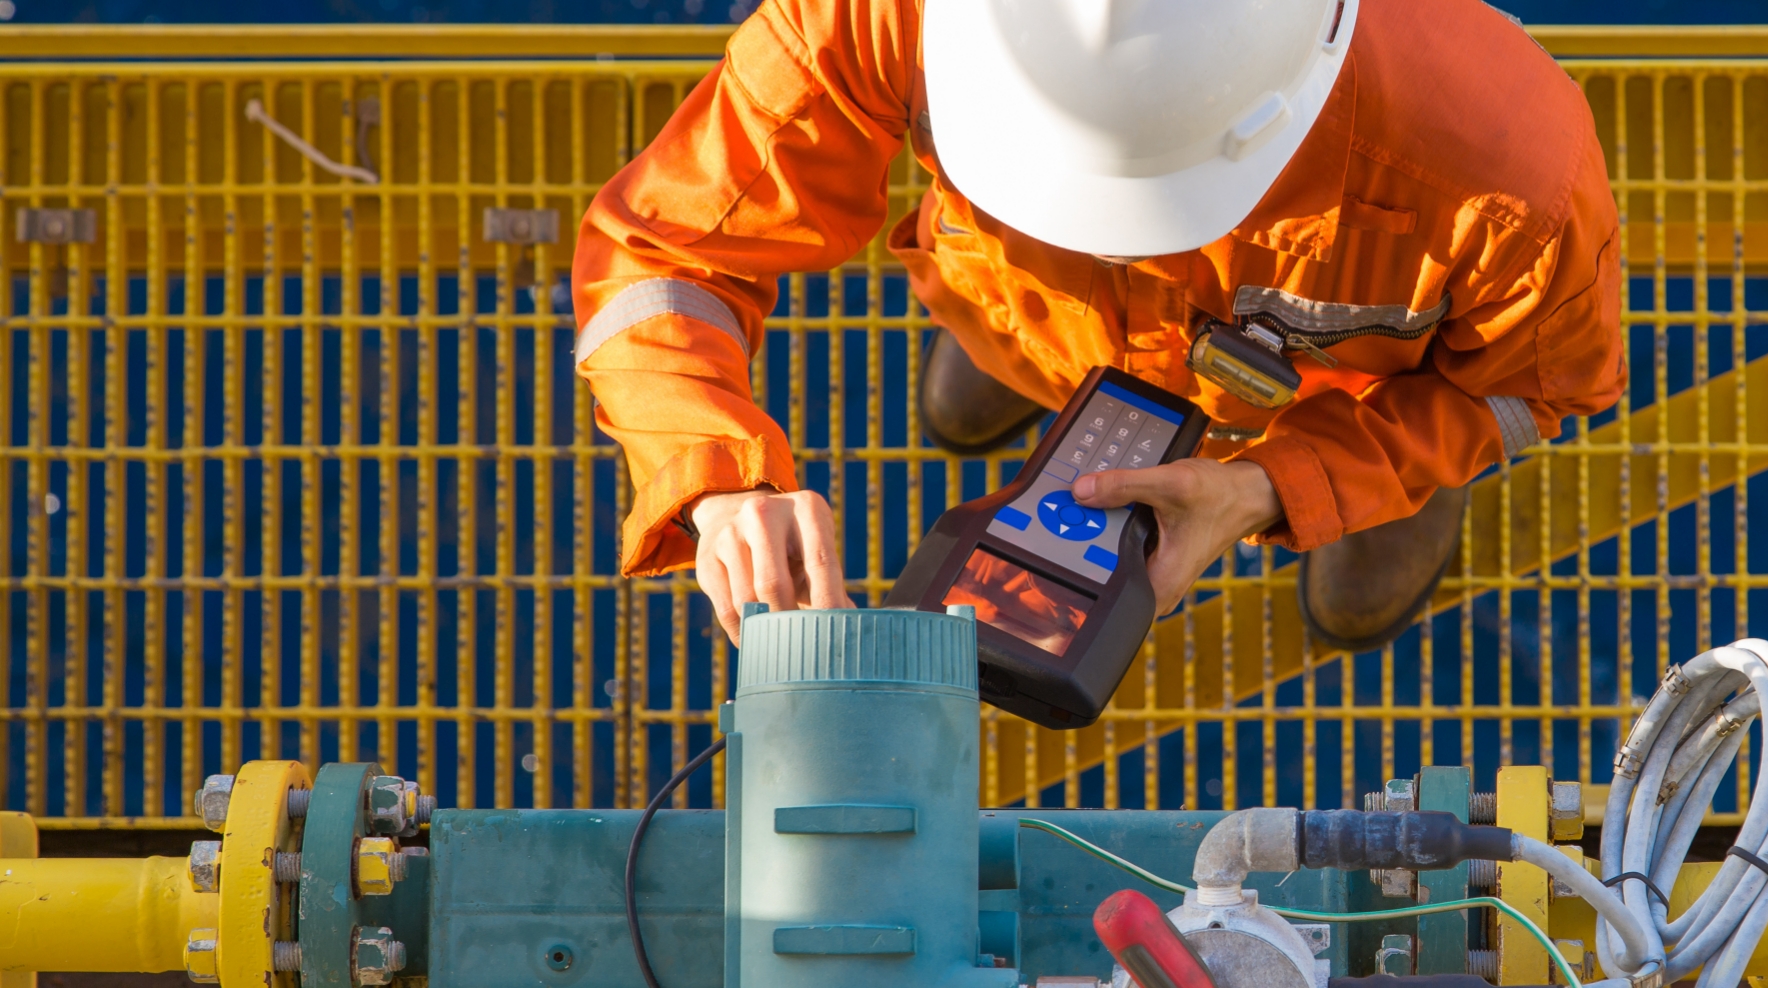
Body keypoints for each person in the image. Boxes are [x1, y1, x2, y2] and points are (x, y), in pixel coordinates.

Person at [572, 0, 1624, 652]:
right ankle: (1010, 366)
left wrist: (1272, 486)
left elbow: (1530, 387)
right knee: (976, 382)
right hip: (1013, 305)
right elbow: (662, 251)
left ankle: (1371, 494)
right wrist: (714, 478)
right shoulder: (880, 10)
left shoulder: (1507, 168)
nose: (1119, 244)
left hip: (1339, 403)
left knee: (1357, 589)